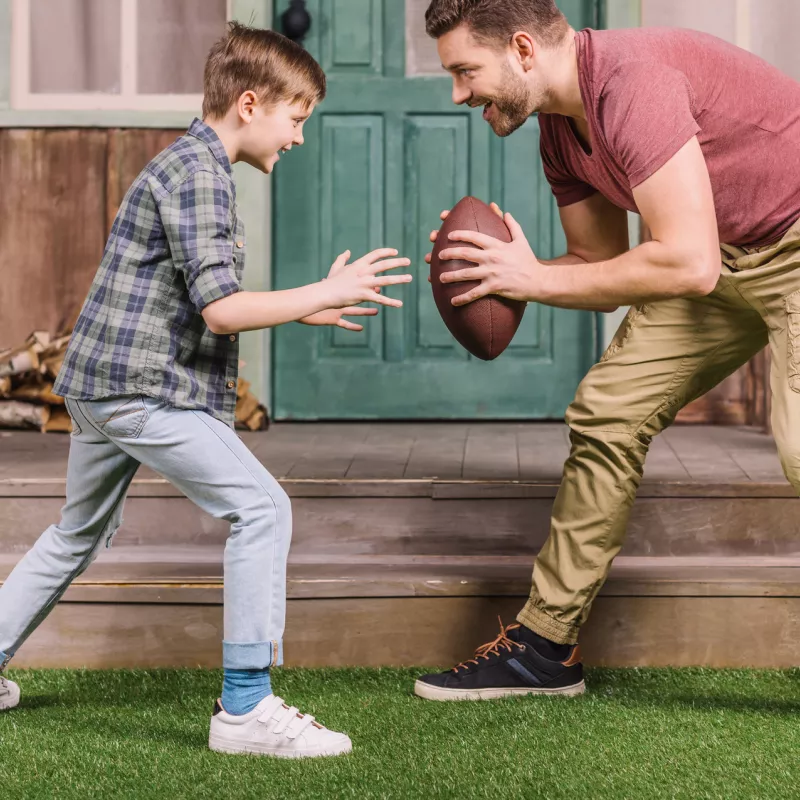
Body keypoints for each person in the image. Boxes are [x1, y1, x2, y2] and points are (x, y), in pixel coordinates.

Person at [0, 23, 412, 758]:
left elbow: (206, 298)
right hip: (134, 388)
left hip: (99, 383)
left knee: (77, 533)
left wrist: (304, 305)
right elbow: (221, 307)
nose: (299, 138)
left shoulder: (191, 163)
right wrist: (321, 287)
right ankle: (246, 709)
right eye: (297, 119)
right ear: (250, 104)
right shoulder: (200, 173)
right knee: (262, 508)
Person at [414, 0, 800, 700]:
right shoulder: (560, 134)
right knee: (607, 409)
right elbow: (599, 258)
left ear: (524, 50)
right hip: (723, 257)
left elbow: (686, 263)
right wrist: (502, 273)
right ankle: (544, 648)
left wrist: (529, 279)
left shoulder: (632, 84)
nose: (459, 93)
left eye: (466, 71)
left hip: (790, 241)